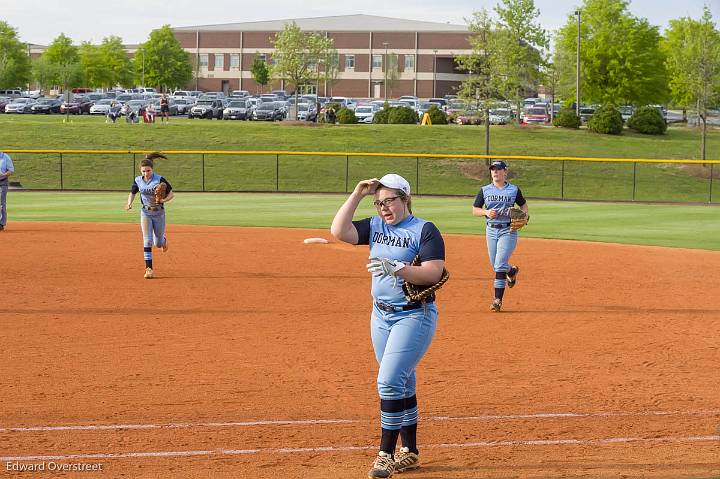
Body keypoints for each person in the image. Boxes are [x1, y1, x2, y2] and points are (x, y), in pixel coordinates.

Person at [331, 173, 446, 478]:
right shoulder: (376, 226)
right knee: (401, 381)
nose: (383, 208)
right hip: (380, 315)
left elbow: (434, 273)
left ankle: (385, 454)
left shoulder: (424, 230)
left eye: (389, 201)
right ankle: (410, 452)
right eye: (378, 202)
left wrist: (398, 268)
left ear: (405, 199)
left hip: (413, 314)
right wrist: (356, 194)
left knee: (388, 381)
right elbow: (339, 231)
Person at [472, 160, 529, 312]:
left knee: (499, 264)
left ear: (505, 172)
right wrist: (486, 212)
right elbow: (475, 209)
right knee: (496, 264)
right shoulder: (485, 190)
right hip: (490, 230)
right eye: (493, 169)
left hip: (508, 230)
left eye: (498, 169)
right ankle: (511, 271)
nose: (495, 172)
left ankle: (497, 300)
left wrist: (525, 215)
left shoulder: (513, 190)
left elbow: (523, 204)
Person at [125, 152, 174, 279]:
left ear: (152, 169)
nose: (146, 173)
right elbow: (132, 193)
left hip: (159, 213)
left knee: (157, 243)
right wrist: (129, 203)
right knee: (147, 240)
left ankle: (164, 241)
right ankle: (149, 269)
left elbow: (171, 194)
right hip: (145, 212)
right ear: (140, 171)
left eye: (148, 171)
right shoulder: (137, 180)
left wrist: (163, 200)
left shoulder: (159, 179)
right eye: (143, 171)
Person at [0, 150, 15, 231]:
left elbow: (11, 170)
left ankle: (1, 223)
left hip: (2, 182)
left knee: (1, 202)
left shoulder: (5, 157)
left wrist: (4, 174)